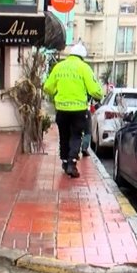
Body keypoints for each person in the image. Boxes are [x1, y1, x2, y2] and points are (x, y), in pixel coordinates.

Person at [43, 42, 103, 178]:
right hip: (78, 110)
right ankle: (72, 163)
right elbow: (94, 90)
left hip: (62, 109)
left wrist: (55, 94)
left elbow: (47, 87)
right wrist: (100, 95)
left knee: (64, 136)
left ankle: (64, 162)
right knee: (76, 136)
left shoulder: (59, 67)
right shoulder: (84, 68)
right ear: (82, 57)